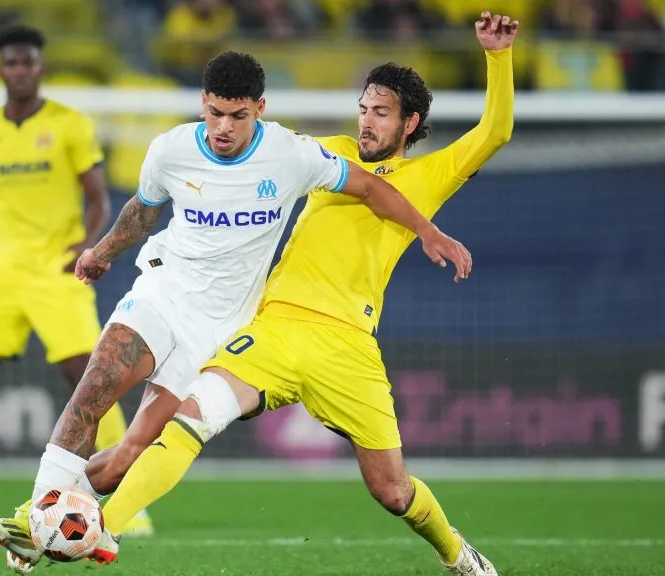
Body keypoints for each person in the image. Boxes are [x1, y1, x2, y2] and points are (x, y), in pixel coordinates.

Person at [0, 50, 472, 573]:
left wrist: (427, 231)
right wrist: (102, 252)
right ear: (203, 104)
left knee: (132, 452)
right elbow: (142, 211)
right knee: (92, 391)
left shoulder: (291, 155)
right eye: (214, 113)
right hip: (162, 293)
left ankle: (49, 526)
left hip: (220, 326)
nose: (223, 128)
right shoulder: (170, 150)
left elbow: (370, 186)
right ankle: (33, 523)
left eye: (238, 116)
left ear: (260, 109)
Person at [92, 11, 518, 576]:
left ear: (410, 123)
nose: (366, 122)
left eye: (381, 113)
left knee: (392, 491)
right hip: (274, 329)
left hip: (348, 345)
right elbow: (259, 155)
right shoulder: (329, 152)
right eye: (363, 109)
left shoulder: (432, 175)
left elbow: (496, 132)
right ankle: (101, 528)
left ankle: (457, 555)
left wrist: (497, 56)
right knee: (192, 418)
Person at [0, 24, 150, 540]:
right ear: (0, 69)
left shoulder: (69, 125)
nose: (20, 70)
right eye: (12, 62)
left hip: (57, 273)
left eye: (28, 62)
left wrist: (86, 245)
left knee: (91, 382)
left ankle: (131, 504)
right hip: (0, 275)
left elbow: (99, 199)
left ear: (40, 67)